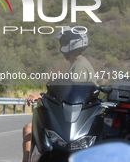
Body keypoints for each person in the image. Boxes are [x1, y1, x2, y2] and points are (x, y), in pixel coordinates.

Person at [21, 26, 96, 162]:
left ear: (72, 42)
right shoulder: (80, 64)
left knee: (29, 129)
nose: (62, 45)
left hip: (72, 122)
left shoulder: (79, 66)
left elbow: (71, 96)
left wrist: (41, 96)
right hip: (75, 119)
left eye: (64, 41)